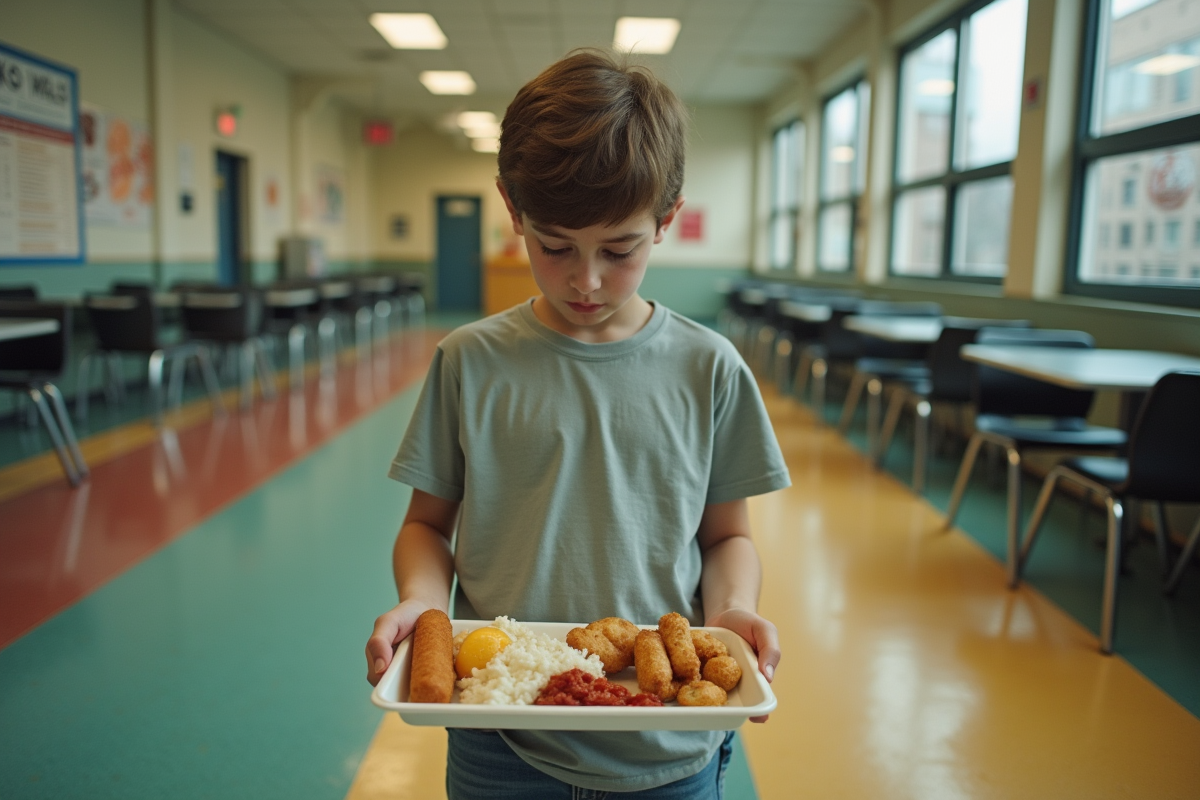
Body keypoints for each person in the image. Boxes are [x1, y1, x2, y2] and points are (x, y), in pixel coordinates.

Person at [365, 48, 790, 798]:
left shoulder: (711, 366)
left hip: (666, 737)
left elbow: (726, 534)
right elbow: (427, 525)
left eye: (619, 250)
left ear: (665, 222)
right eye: (553, 246)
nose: (584, 280)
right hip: (502, 733)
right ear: (512, 209)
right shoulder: (469, 360)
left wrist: (732, 611)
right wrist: (422, 607)